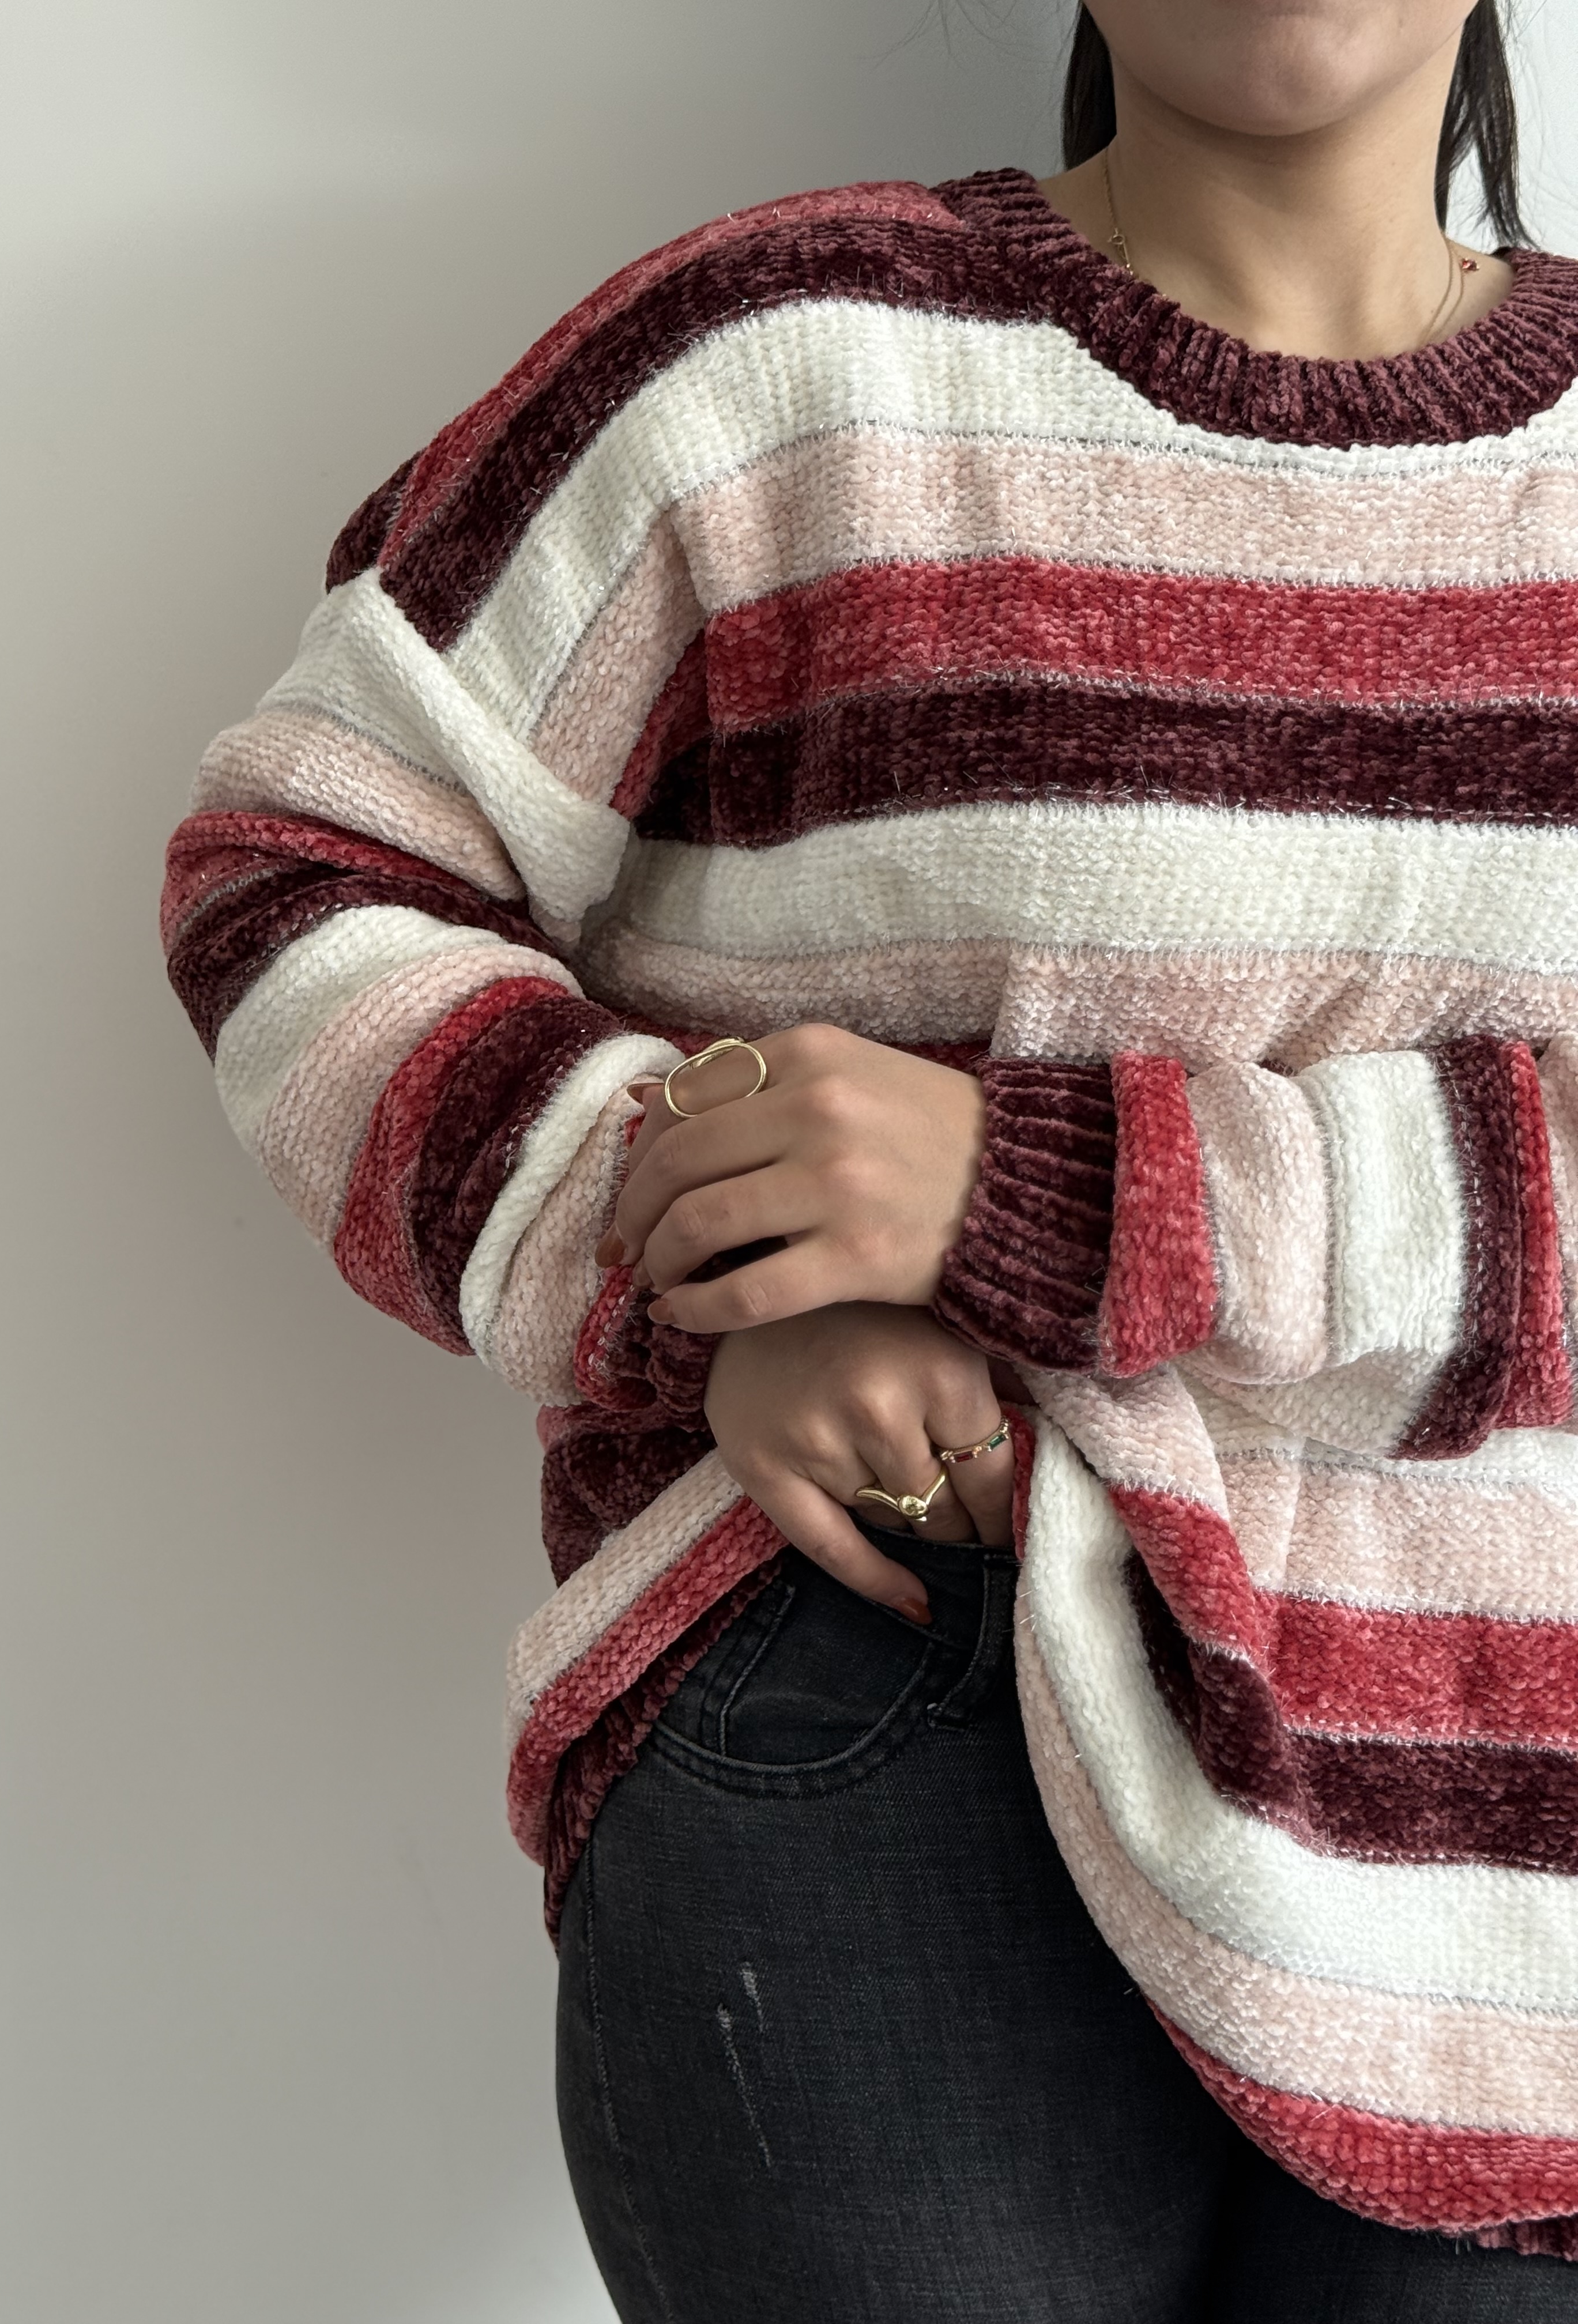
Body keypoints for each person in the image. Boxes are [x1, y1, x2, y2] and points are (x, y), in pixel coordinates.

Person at [161, 1, 1578, 2313]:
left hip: (1520, 1843)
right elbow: (303, 868)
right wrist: (697, 1259)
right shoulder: (779, 366)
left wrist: (1033, 1192)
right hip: (895, 1665)